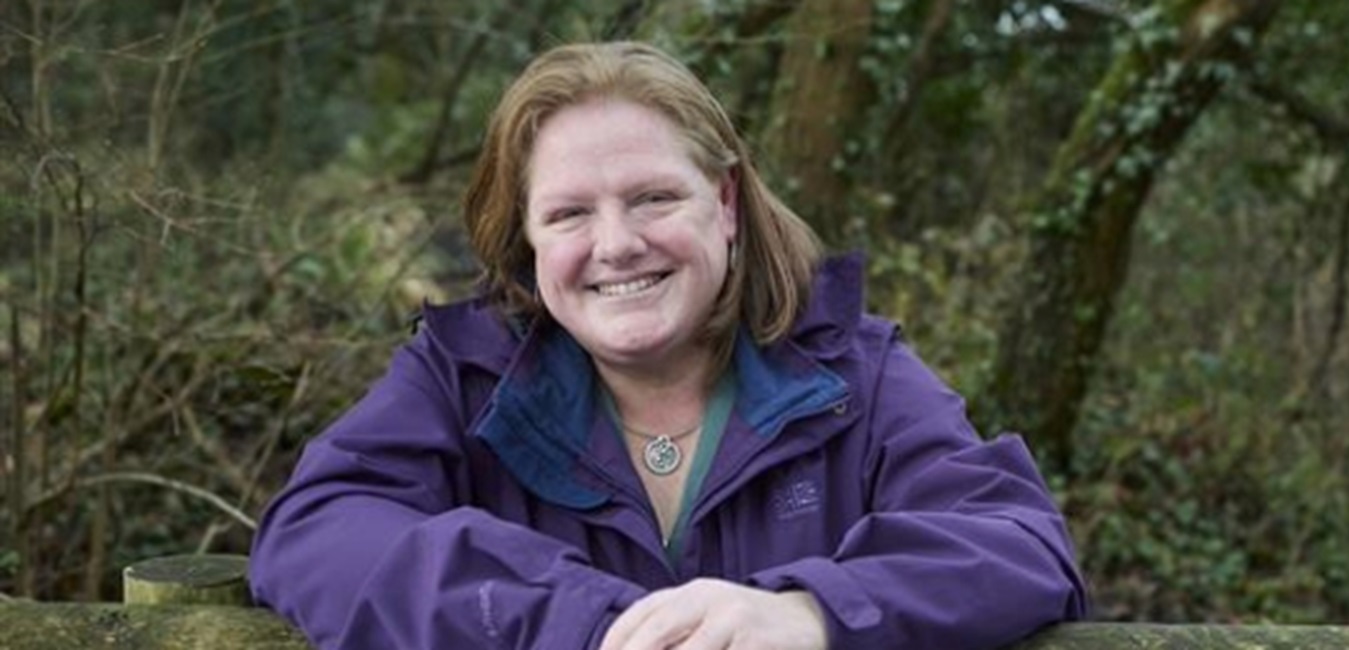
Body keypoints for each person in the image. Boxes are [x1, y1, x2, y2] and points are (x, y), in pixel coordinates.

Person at [249, 41, 1088, 649]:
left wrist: (812, 611)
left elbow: (1017, 543)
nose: (616, 245)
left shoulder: (850, 375)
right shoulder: (463, 378)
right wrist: (584, 624)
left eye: (652, 198)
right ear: (528, 238)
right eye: (570, 213)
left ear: (723, 203)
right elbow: (316, 531)